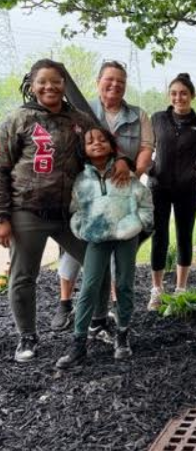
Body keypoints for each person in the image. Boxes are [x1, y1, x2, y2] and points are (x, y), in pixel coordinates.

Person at [0, 59, 111, 362]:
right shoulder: (18, 120)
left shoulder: (79, 119)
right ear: (32, 85)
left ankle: (100, 322)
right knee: (23, 276)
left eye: (56, 81)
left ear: (64, 84)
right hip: (28, 211)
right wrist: (2, 217)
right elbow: (1, 167)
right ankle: (27, 336)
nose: (49, 87)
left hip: (69, 214)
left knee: (98, 264)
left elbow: (104, 145)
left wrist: (122, 164)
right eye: (42, 82)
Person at [54, 59, 155, 334]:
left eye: (120, 82)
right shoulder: (79, 111)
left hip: (123, 192)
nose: (114, 85)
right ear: (98, 81)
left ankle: (111, 317)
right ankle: (65, 303)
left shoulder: (137, 115)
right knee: (76, 250)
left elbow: (146, 149)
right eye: (109, 80)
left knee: (120, 257)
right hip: (90, 190)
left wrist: (130, 167)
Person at [55, 128, 153, 368]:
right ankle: (78, 344)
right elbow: (76, 209)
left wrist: (138, 223)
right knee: (89, 286)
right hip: (97, 238)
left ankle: (122, 335)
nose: (96, 144)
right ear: (84, 150)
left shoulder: (125, 175)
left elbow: (144, 200)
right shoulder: (82, 181)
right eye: (90, 142)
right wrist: (81, 228)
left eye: (102, 140)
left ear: (111, 145)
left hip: (125, 236)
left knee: (123, 284)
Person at [147, 73, 196, 309]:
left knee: (184, 237)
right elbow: (144, 148)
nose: (179, 97)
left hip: (187, 191)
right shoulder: (157, 119)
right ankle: (156, 290)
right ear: (169, 95)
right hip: (159, 189)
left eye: (184, 93)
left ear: (192, 95)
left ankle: (180, 289)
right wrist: (150, 169)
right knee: (159, 237)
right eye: (174, 93)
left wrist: (195, 176)